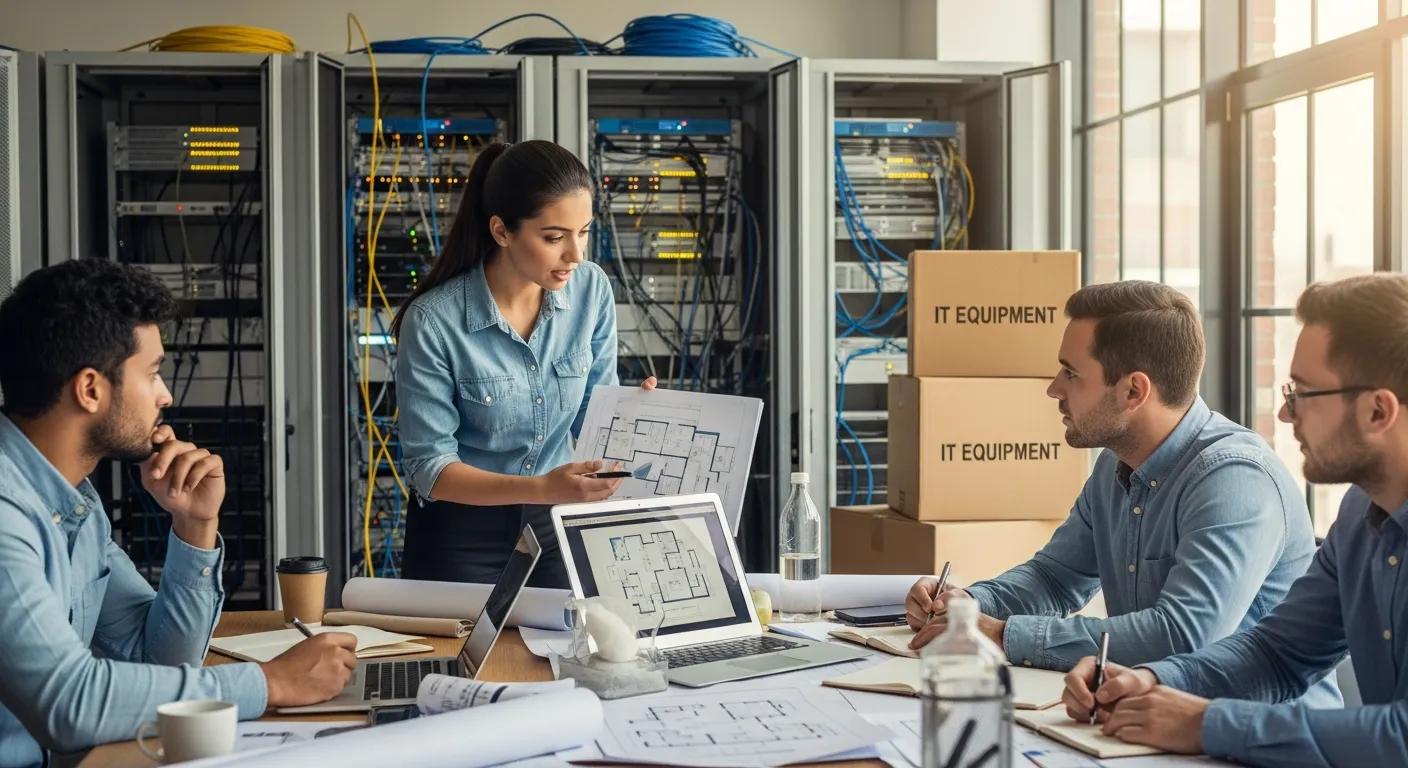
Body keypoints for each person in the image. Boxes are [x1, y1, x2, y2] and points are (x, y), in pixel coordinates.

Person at [904, 281, 1338, 706]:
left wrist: (1001, 634)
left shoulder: (1234, 479)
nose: (1054, 388)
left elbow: (1183, 634)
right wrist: (967, 607)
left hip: (1252, 739)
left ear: (1133, 391)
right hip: (1149, 719)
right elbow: (1055, 578)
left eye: (1071, 373)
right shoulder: (1118, 461)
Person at [0, 260, 356, 766]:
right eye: (151, 373)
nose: (165, 394)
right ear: (90, 389)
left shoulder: (77, 503)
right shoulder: (8, 513)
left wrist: (194, 524)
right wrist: (271, 682)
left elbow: (159, 659)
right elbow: (68, 702)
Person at [1060, 274, 1408, 767]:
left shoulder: (1234, 473)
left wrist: (1204, 723)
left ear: (1378, 411)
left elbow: (1401, 736)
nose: (1287, 415)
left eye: (1304, 394)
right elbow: (1279, 653)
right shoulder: (1359, 514)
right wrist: (1154, 680)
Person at [392, 140, 654, 588]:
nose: (576, 255)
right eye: (554, 238)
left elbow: (594, 418)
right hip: (460, 535)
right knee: (461, 659)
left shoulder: (590, 291)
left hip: (559, 524)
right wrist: (542, 489)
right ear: (501, 231)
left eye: (584, 232)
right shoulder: (433, 321)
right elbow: (429, 469)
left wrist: (634, 412)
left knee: (565, 654)